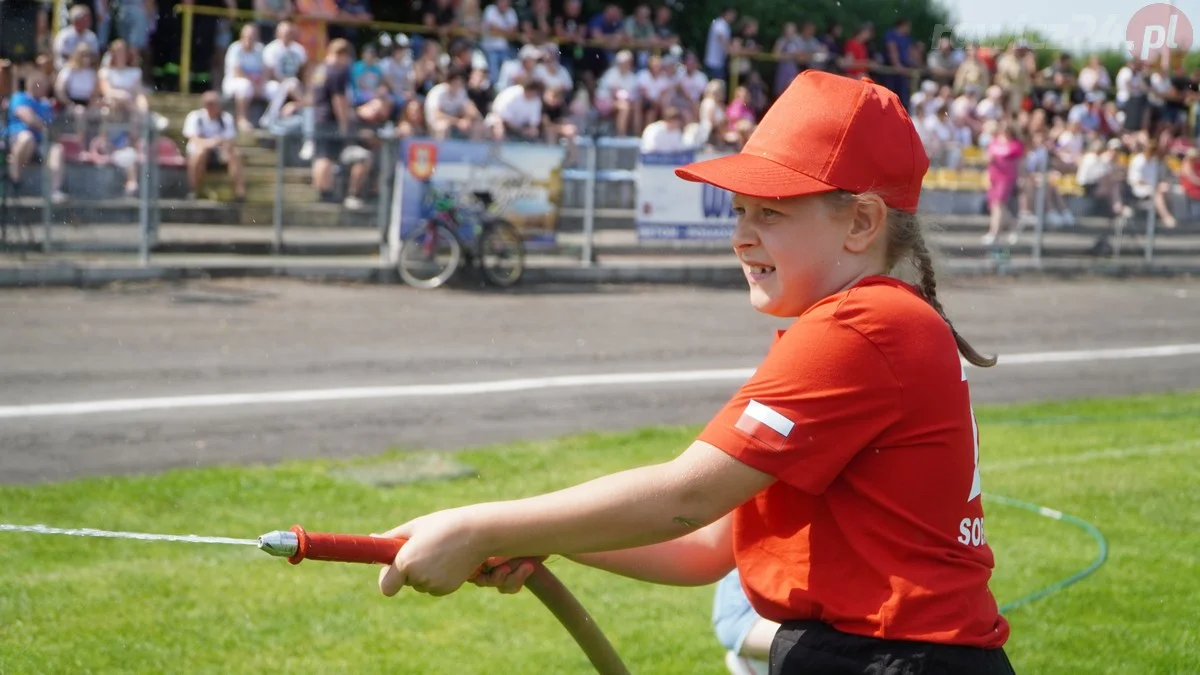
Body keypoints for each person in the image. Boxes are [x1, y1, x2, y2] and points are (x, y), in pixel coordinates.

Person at [372, 71, 1015, 675]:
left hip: (893, 658)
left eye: (771, 212)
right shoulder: (868, 323)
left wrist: (483, 525)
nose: (740, 236)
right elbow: (707, 544)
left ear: (863, 222)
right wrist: (536, 536)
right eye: (738, 211)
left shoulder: (859, 326)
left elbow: (686, 498)